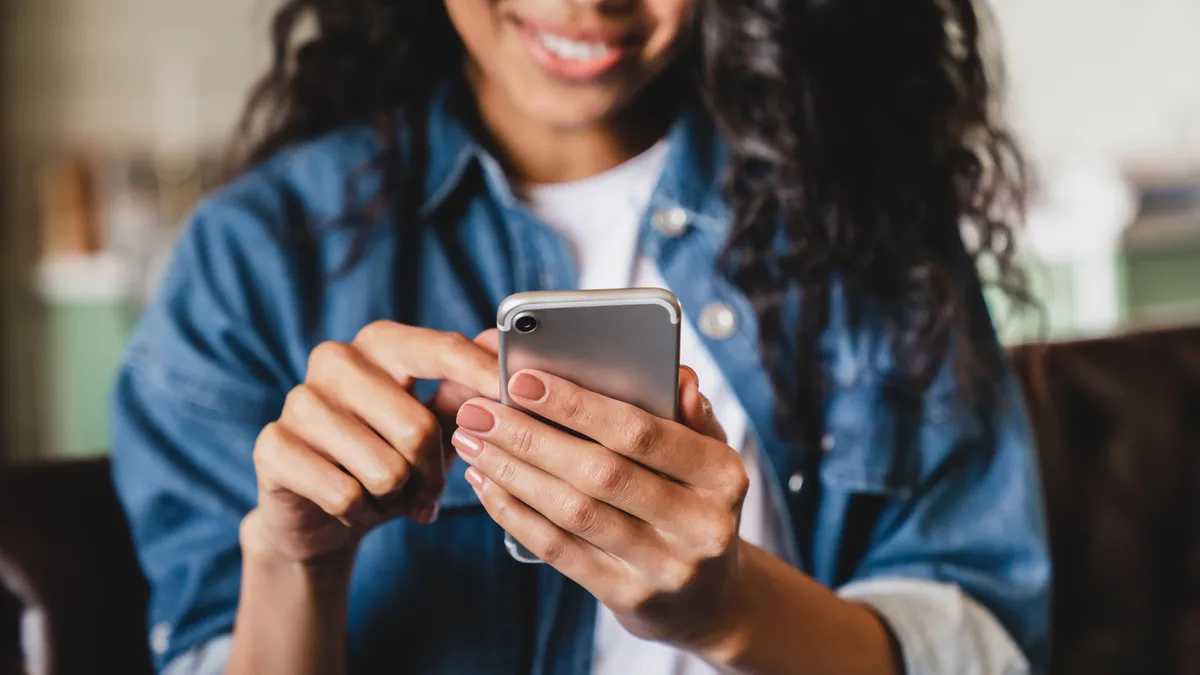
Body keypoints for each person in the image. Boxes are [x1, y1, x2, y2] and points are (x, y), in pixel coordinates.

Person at [110, 0, 1051, 673]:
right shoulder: (256, 257)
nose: (585, 3)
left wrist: (726, 609)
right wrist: (294, 559)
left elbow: (979, 639)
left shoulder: (864, 212)